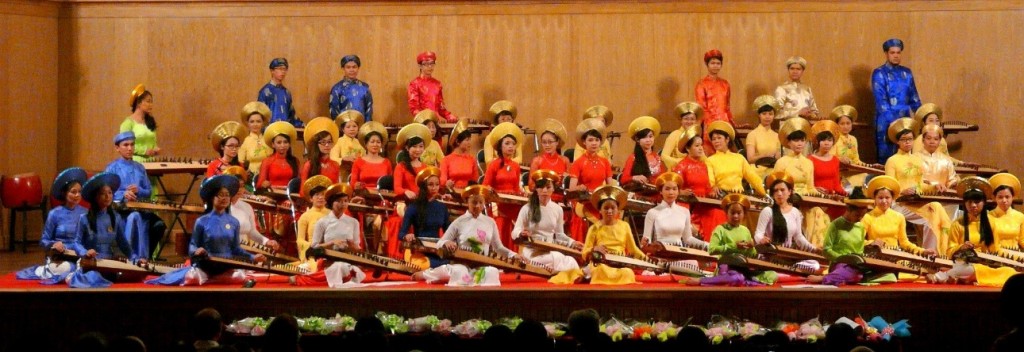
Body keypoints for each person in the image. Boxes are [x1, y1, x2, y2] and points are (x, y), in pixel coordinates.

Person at [147, 175, 266, 286]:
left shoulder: (233, 222)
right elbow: (192, 246)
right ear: (212, 198)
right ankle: (210, 278)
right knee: (192, 277)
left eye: (227, 195)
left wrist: (252, 257)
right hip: (207, 264)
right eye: (220, 195)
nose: (225, 198)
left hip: (225, 265)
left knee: (239, 276)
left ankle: (211, 279)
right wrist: (197, 251)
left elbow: (236, 249)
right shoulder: (202, 221)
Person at [416, 185, 518, 286]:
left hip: (481, 265)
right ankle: (427, 274)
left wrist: (514, 255)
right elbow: (440, 243)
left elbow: (498, 247)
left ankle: (470, 282)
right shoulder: (459, 222)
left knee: (492, 272)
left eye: (481, 202)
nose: (477, 206)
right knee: (459, 272)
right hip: (462, 265)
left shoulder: (490, 222)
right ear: (467, 202)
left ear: (484, 203)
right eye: (474, 202)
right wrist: (447, 242)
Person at [884, 118, 953, 253]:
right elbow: (889, 185)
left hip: (916, 201)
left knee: (936, 208)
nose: (907, 142)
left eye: (910, 139)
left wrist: (934, 186)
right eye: (904, 139)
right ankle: (929, 254)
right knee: (931, 219)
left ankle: (940, 252)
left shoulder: (917, 160)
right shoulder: (892, 161)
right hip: (899, 202)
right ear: (898, 141)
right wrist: (903, 191)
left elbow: (920, 184)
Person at [935, 177, 1017, 286]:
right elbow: (949, 251)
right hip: (963, 263)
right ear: (965, 203)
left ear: (983, 203)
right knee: (968, 268)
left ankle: (958, 277)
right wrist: (961, 247)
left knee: (1010, 272)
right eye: (969, 202)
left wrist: (1015, 259)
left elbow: (995, 249)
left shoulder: (991, 222)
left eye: (977, 202)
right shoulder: (957, 224)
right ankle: (942, 276)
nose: (973, 205)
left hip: (983, 265)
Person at [15, 167, 88, 280]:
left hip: (80, 256)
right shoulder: (55, 213)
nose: (77, 195)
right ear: (64, 193)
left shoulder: (86, 213)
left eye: (79, 192)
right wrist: (54, 244)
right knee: (65, 268)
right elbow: (44, 241)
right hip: (60, 257)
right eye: (73, 192)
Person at [683, 194, 770, 286]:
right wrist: (733, 246)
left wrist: (751, 248)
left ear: (744, 214)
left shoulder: (745, 230)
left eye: (739, 213)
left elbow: (752, 255)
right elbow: (712, 249)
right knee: (737, 277)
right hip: (726, 267)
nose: (735, 216)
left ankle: (740, 281)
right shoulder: (720, 229)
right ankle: (703, 280)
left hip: (742, 267)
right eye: (732, 213)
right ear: (726, 213)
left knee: (772, 275)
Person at [513, 170, 582, 283]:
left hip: (550, 249)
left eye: (548, 187)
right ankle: (558, 275)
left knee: (571, 261)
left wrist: (572, 243)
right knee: (552, 259)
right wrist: (521, 233)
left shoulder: (557, 209)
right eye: (541, 187)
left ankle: (562, 277)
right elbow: (516, 230)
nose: (544, 190)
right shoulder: (527, 208)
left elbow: (559, 235)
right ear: (536, 189)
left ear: (553, 189)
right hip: (532, 251)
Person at [105, 131, 165, 259]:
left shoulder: (140, 168)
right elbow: (106, 193)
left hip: (140, 210)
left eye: (132, 145)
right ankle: (129, 256)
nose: (130, 148)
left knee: (159, 225)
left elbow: (148, 191)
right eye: (126, 145)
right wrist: (123, 194)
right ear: (117, 148)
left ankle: (145, 257)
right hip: (120, 212)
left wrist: (139, 190)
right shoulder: (112, 168)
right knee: (133, 218)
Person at [295, 183, 365, 287]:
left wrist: (352, 246)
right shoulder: (322, 222)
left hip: (347, 260)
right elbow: (314, 247)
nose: (343, 204)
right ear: (331, 203)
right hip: (328, 261)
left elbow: (357, 248)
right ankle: (307, 278)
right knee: (339, 267)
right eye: (339, 201)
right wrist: (331, 243)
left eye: (345, 201)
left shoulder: (354, 222)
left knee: (351, 270)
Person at [807, 187, 877, 285]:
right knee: (850, 272)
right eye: (857, 215)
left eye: (863, 215)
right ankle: (827, 278)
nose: (860, 218)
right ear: (848, 209)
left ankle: (838, 278)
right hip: (840, 263)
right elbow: (826, 250)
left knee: (887, 274)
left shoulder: (860, 227)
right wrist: (844, 258)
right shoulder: (835, 225)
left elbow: (860, 251)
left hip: (856, 265)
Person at [580, 185, 648, 285]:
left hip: (620, 263)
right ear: (600, 210)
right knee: (599, 270)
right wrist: (594, 249)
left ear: (618, 210)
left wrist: (647, 260)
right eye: (606, 208)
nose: (609, 211)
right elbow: (584, 253)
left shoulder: (624, 226)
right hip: (601, 263)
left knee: (627, 272)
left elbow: (633, 249)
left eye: (613, 208)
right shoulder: (594, 228)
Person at [79, 172, 149, 264]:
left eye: (110, 193)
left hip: (109, 263)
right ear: (95, 197)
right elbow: (76, 242)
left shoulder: (115, 218)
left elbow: (123, 244)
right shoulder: (84, 218)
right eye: (102, 193)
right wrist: (85, 252)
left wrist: (135, 258)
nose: (107, 196)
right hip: (91, 262)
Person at [385, 124, 432, 258]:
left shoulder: (426, 167)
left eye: (421, 146)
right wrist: (406, 191)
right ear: (407, 148)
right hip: (405, 204)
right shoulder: (401, 167)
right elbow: (397, 188)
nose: (418, 150)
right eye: (414, 147)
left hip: (422, 203)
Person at [872, 38, 922, 163]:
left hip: (905, 120)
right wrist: (895, 124)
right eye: (892, 52)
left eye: (898, 52)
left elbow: (914, 98)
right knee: (887, 157)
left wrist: (923, 118)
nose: (896, 55)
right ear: (886, 53)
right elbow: (881, 101)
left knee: (906, 157)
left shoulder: (907, 73)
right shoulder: (879, 73)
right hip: (886, 121)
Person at [672, 126, 727, 241]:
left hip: (703, 204)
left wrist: (712, 191)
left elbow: (707, 188)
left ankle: (716, 246)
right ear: (688, 148)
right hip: (689, 204)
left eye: (701, 145)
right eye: (697, 146)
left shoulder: (703, 166)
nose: (701, 148)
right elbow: (672, 188)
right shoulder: (682, 166)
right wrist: (681, 192)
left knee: (718, 213)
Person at [860, 176, 936, 257]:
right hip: (875, 256)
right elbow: (857, 241)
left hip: (894, 256)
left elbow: (904, 243)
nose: (884, 201)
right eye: (880, 198)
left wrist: (922, 251)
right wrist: (871, 243)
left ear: (892, 199)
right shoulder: (867, 217)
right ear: (875, 199)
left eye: (887, 198)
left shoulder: (899, 217)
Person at [568, 118, 615, 241]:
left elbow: (610, 187)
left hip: (600, 202)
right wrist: (579, 187)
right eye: (590, 140)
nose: (594, 143)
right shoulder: (578, 163)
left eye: (597, 140)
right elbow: (571, 189)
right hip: (584, 203)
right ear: (584, 142)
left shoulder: (605, 162)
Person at [348, 121, 391, 252]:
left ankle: (379, 251)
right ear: (366, 144)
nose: (375, 144)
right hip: (364, 198)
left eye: (378, 142)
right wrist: (357, 186)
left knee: (382, 220)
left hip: (381, 198)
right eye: (372, 142)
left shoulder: (387, 162)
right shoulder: (358, 162)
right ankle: (362, 249)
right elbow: (352, 184)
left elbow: (390, 183)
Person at [483, 122, 526, 250]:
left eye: (513, 144)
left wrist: (521, 194)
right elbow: (485, 186)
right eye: (507, 143)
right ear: (500, 147)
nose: (511, 146)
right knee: (500, 230)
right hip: (498, 204)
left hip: (512, 205)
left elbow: (516, 188)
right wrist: (492, 193)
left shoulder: (516, 166)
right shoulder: (493, 164)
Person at [400, 167, 453, 270]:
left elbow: (448, 232)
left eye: (437, 184)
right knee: (427, 266)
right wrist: (407, 236)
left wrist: (450, 242)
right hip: (418, 252)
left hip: (436, 251)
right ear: (424, 186)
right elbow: (401, 233)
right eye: (430, 185)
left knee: (449, 265)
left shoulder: (442, 207)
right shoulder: (413, 207)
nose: (434, 188)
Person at [641, 172, 707, 249]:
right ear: (661, 191)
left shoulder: (685, 212)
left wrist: (706, 245)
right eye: (667, 189)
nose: (671, 193)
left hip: (679, 251)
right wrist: (645, 242)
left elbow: (688, 239)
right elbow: (647, 239)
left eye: (674, 189)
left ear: (678, 191)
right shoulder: (652, 212)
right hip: (661, 251)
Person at [754, 172, 816, 251]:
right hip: (771, 251)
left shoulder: (795, 212)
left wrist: (814, 248)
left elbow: (798, 237)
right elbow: (758, 234)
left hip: (787, 252)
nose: (779, 193)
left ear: (789, 192)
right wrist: (761, 239)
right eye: (776, 190)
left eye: (782, 190)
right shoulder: (767, 211)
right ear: (772, 194)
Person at [223, 166, 279, 250]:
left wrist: (266, 241)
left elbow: (252, 232)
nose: (239, 189)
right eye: (236, 186)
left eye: (242, 186)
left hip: (245, 250)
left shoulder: (247, 207)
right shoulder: (220, 207)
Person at [704, 121, 767, 196]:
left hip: (739, 196)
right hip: (721, 196)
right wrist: (713, 187)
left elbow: (753, 178)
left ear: (727, 139)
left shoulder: (739, 158)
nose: (716, 141)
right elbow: (710, 181)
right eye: (713, 139)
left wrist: (764, 194)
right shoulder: (710, 160)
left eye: (719, 138)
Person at [407, 51, 457, 122]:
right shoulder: (414, 84)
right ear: (420, 66)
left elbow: (441, 108)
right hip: (422, 123)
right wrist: (426, 120)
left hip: (435, 122)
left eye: (432, 63)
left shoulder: (437, 84)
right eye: (426, 64)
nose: (430, 67)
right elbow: (414, 108)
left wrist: (450, 116)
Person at [773, 117, 816, 195]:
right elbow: (776, 187)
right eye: (796, 140)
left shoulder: (809, 163)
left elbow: (811, 188)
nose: (800, 144)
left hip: (806, 197)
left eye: (802, 140)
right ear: (788, 142)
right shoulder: (781, 162)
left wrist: (821, 195)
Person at [295, 175, 332, 265]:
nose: (320, 197)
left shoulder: (332, 214)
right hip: (313, 254)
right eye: (317, 195)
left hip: (331, 253)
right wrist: (312, 246)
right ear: (311, 199)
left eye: (323, 194)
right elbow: (300, 240)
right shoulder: (305, 216)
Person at [529, 119, 571, 194]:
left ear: (557, 142)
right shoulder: (537, 161)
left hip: (560, 197)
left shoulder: (565, 160)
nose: (547, 145)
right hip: (543, 196)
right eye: (544, 142)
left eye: (550, 142)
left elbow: (569, 185)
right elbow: (531, 186)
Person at [121, 84, 161, 161]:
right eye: (148, 101)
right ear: (139, 103)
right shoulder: (128, 123)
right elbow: (125, 145)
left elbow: (153, 142)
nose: (151, 105)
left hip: (151, 163)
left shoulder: (150, 121)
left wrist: (155, 149)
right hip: (135, 162)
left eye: (151, 102)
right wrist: (144, 151)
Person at [620, 116, 664, 185]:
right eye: (644, 137)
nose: (648, 140)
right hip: (640, 191)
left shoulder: (657, 157)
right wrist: (634, 177)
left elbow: (663, 178)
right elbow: (623, 179)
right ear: (637, 140)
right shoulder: (633, 158)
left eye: (650, 136)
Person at [745, 95, 782, 178]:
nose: (767, 117)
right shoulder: (752, 134)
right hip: (756, 169)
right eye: (764, 114)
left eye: (770, 114)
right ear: (759, 115)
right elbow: (750, 159)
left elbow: (779, 157)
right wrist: (765, 155)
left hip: (773, 170)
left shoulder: (777, 136)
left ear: (774, 116)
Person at [256, 121, 300, 190]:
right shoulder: (267, 161)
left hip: (289, 194)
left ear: (289, 144)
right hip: (273, 194)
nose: (282, 145)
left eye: (285, 142)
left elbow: (298, 182)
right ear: (273, 145)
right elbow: (259, 184)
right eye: (279, 143)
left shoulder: (295, 161)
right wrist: (264, 184)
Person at [329, 55, 374, 121]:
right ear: (343, 68)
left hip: (362, 125)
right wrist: (344, 125)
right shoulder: (337, 88)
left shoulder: (365, 87)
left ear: (358, 68)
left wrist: (366, 125)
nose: (351, 70)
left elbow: (369, 109)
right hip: (344, 125)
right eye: (348, 67)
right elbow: (334, 111)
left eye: (354, 67)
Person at [773, 56, 819, 120]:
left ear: (802, 71)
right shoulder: (782, 89)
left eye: (798, 69)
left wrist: (811, 114)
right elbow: (777, 113)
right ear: (788, 70)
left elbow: (814, 110)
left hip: (806, 124)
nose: (795, 71)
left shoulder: (807, 89)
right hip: (788, 124)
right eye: (792, 68)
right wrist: (798, 113)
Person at [258, 58, 300, 127]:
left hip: (284, 129)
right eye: (280, 69)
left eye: (284, 69)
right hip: (270, 130)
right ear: (272, 71)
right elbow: (260, 114)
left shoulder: (286, 92)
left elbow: (291, 115)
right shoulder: (265, 91)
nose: (283, 72)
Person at [918, 124, 960, 194]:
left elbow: (951, 179)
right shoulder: (915, 158)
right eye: (928, 138)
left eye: (936, 139)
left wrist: (954, 183)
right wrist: (932, 186)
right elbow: (914, 180)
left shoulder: (946, 160)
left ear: (940, 141)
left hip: (942, 195)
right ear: (923, 140)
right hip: (922, 195)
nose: (932, 141)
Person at [661, 102, 703, 170]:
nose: (689, 122)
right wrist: (682, 163)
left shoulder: (696, 136)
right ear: (681, 120)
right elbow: (664, 156)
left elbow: (702, 157)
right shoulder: (674, 134)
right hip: (678, 170)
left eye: (692, 119)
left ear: (696, 121)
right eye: (686, 119)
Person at [238, 101, 274, 179]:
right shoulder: (245, 141)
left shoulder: (268, 140)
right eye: (252, 122)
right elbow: (240, 162)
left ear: (263, 123)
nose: (255, 124)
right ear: (248, 123)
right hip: (251, 177)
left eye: (258, 121)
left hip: (268, 176)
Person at [988, 173, 1024, 251]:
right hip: (994, 255)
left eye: (1007, 197)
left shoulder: (1020, 216)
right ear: (994, 198)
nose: (1004, 200)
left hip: (1015, 255)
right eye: (1000, 197)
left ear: (1013, 197)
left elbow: (1022, 240)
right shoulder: (988, 216)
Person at [299, 117, 341, 183]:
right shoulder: (309, 165)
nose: (327, 145)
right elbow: (303, 188)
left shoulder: (335, 165)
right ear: (316, 144)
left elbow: (336, 186)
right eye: (323, 142)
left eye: (329, 142)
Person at [440, 118, 480, 190]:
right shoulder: (446, 160)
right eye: (467, 140)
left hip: (468, 192)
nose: (469, 143)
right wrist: (446, 183)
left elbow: (475, 180)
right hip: (452, 192)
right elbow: (442, 180)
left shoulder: (471, 159)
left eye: (470, 140)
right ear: (458, 142)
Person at [328, 110, 366, 178]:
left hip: (358, 174)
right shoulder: (338, 141)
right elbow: (332, 159)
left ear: (358, 128)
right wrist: (343, 159)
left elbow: (365, 159)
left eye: (354, 126)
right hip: (342, 174)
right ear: (343, 129)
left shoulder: (360, 143)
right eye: (348, 127)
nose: (352, 129)